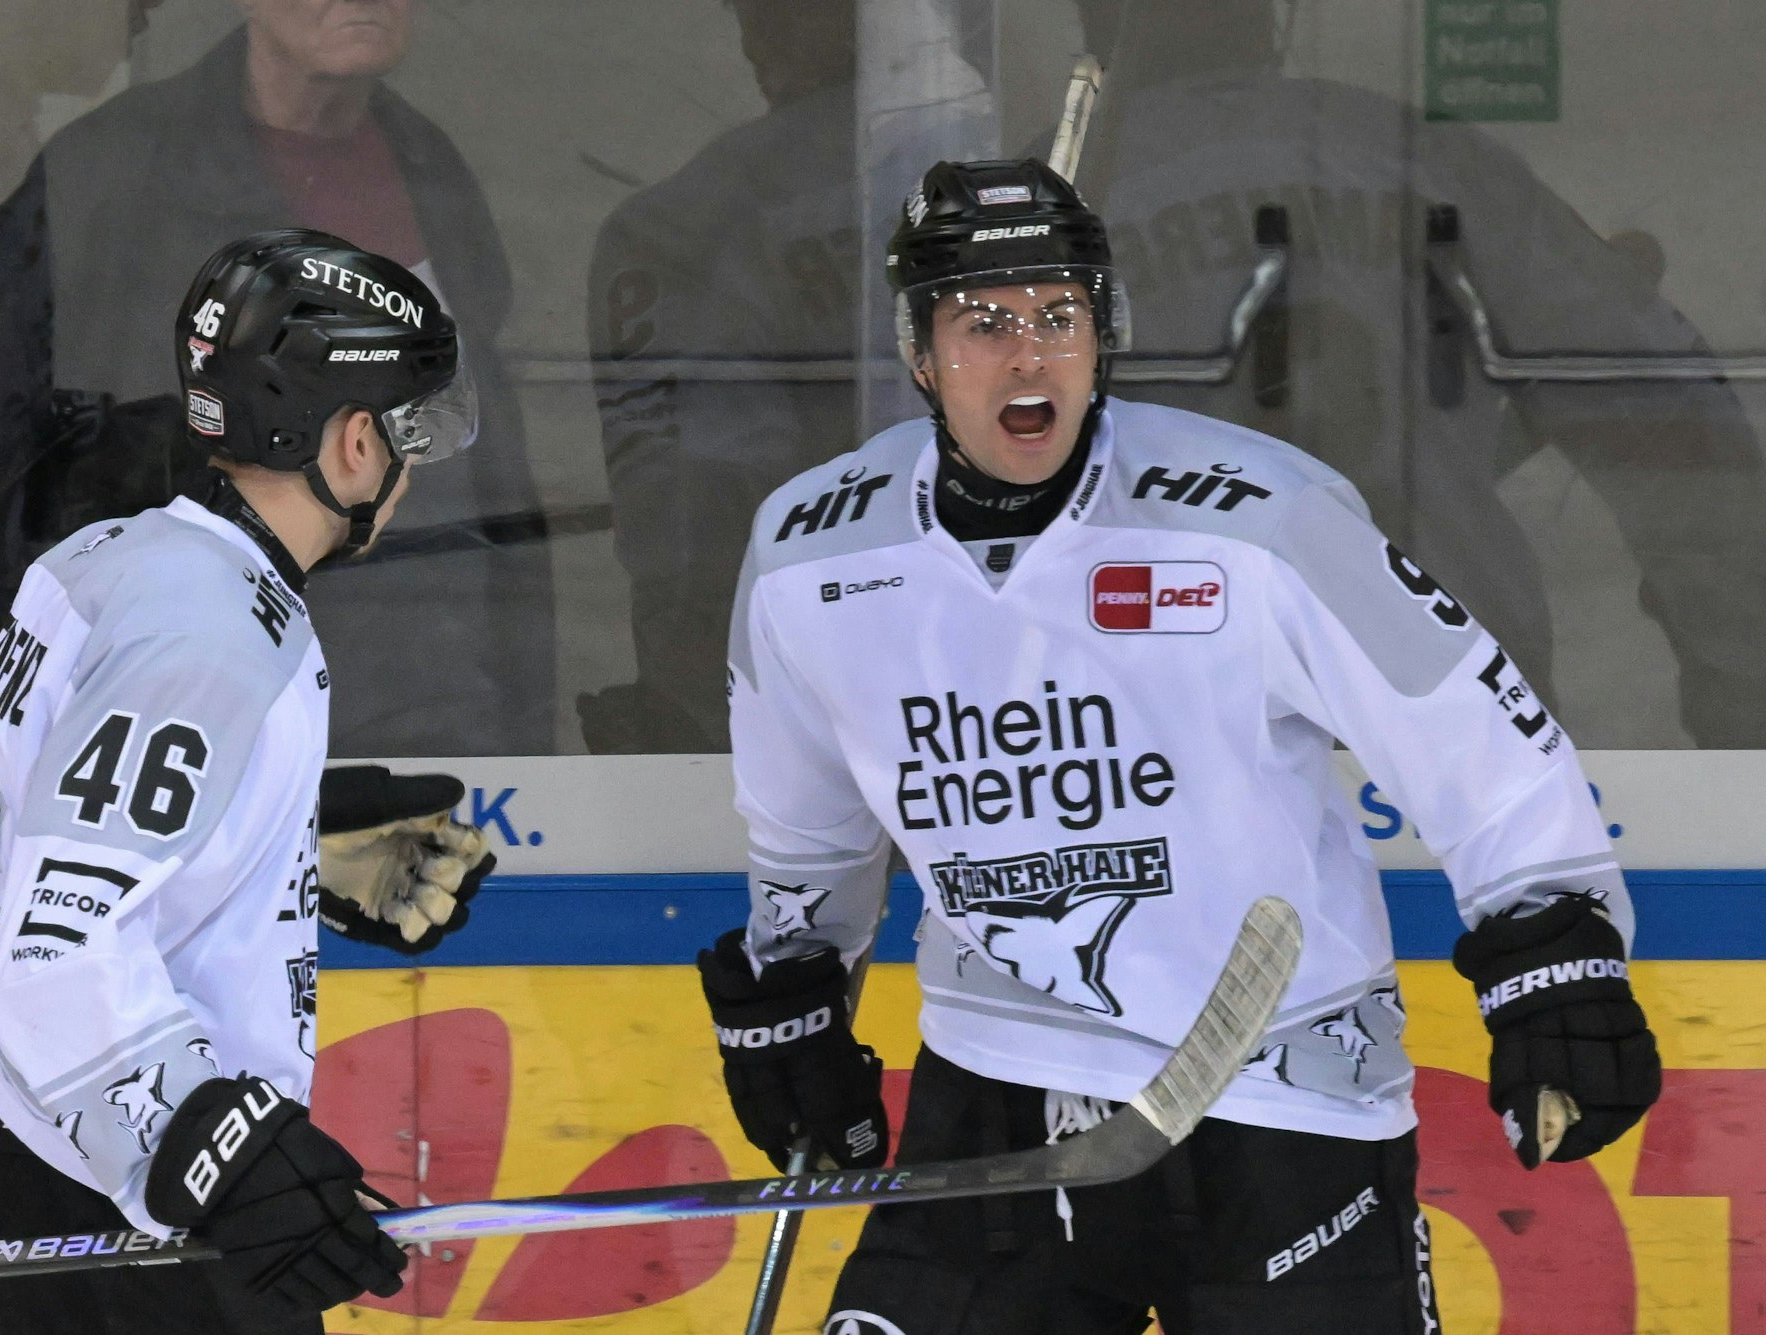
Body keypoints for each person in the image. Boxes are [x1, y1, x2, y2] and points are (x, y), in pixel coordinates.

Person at [696, 160, 1661, 1333]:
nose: (1028, 357)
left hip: (1282, 1100)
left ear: (1104, 333)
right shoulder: (808, 556)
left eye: (1059, 316)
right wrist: (796, 990)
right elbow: (807, 826)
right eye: (982, 324)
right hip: (998, 1090)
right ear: (918, 350)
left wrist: (1553, 953)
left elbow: (1473, 734)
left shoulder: (1256, 518)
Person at [0, 231, 495, 1334]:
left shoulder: (117, 557)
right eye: (410, 433)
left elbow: (59, 827)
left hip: (16, 1143)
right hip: (108, 1217)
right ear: (357, 443)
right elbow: (60, 940)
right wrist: (218, 1149)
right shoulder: (211, 633)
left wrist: (277, 861)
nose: (414, 469)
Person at [1054, 0, 1766, 747]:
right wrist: (1743, 706)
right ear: (1270, 17)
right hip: (1462, 712)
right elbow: (1668, 416)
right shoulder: (1420, 155)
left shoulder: (1055, 195)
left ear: (1092, 23)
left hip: (1170, 725)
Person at [0, 0, 554, 756]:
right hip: (204, 703)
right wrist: (105, 677)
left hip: (432, 688)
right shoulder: (109, 170)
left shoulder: (428, 163)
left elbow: (489, 453)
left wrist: (523, 696)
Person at [582, 0, 859, 753]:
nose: (756, 32)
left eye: (772, 13)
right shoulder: (1048, 180)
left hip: (770, 710)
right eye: (754, 12)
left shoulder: (679, 226)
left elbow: (690, 540)